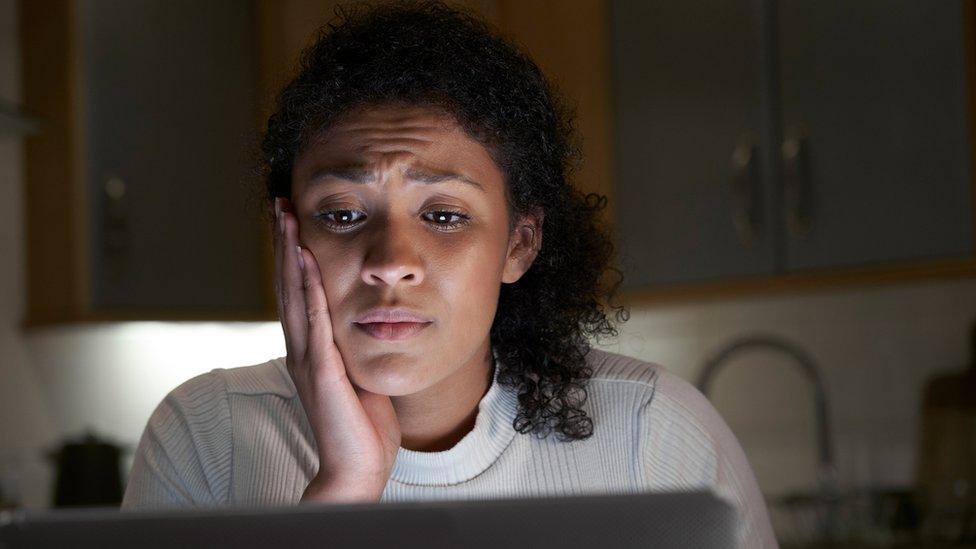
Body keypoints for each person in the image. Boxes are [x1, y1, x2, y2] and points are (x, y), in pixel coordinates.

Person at [121, 1, 777, 546]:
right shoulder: (206, 436)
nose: (390, 263)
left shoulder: (650, 434)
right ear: (286, 236)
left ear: (519, 244)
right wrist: (344, 490)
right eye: (344, 213)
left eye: (442, 214)